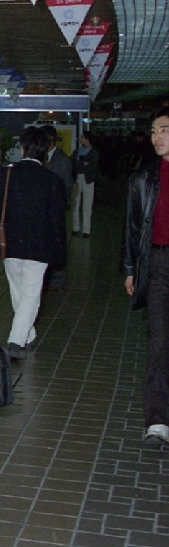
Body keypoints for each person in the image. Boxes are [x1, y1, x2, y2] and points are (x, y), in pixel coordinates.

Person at [0, 127, 68, 358]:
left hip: (10, 243)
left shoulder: (6, 175)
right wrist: (60, 251)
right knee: (30, 293)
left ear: (22, 148)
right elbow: (57, 219)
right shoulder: (52, 180)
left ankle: (28, 335)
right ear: (46, 149)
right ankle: (17, 341)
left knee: (18, 291)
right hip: (40, 245)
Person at [122, 106, 169, 446]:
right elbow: (132, 229)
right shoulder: (144, 178)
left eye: (163, 130)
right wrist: (129, 269)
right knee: (158, 343)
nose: (156, 137)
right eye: (154, 131)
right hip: (157, 266)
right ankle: (158, 420)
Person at [42, 125, 73, 291]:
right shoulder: (43, 158)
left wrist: (61, 206)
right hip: (44, 208)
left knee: (58, 242)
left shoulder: (62, 160)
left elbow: (67, 185)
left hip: (56, 208)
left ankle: (58, 279)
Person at [73, 131, 100, 237]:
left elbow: (92, 166)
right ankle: (76, 227)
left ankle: (86, 229)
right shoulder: (77, 152)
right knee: (76, 203)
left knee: (87, 204)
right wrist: (83, 164)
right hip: (78, 178)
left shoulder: (94, 152)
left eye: (82, 137)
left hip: (88, 179)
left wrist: (82, 164)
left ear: (87, 139)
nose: (80, 139)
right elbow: (75, 164)